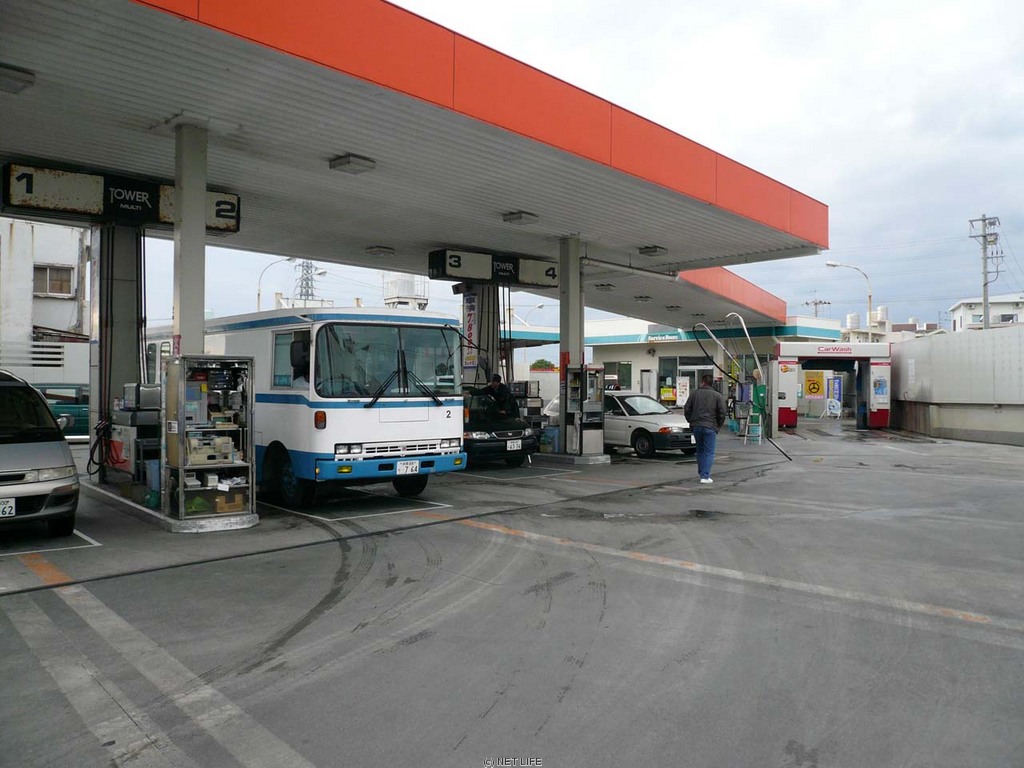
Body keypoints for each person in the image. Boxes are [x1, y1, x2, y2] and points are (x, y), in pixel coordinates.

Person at [683, 374, 727, 484]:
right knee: (709, 452)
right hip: (710, 426)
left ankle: (702, 472)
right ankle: (705, 476)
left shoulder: (694, 394)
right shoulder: (717, 396)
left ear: (702, 382)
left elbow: (687, 409)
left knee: (700, 450)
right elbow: (722, 412)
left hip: (696, 426)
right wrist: (718, 426)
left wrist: (691, 421)